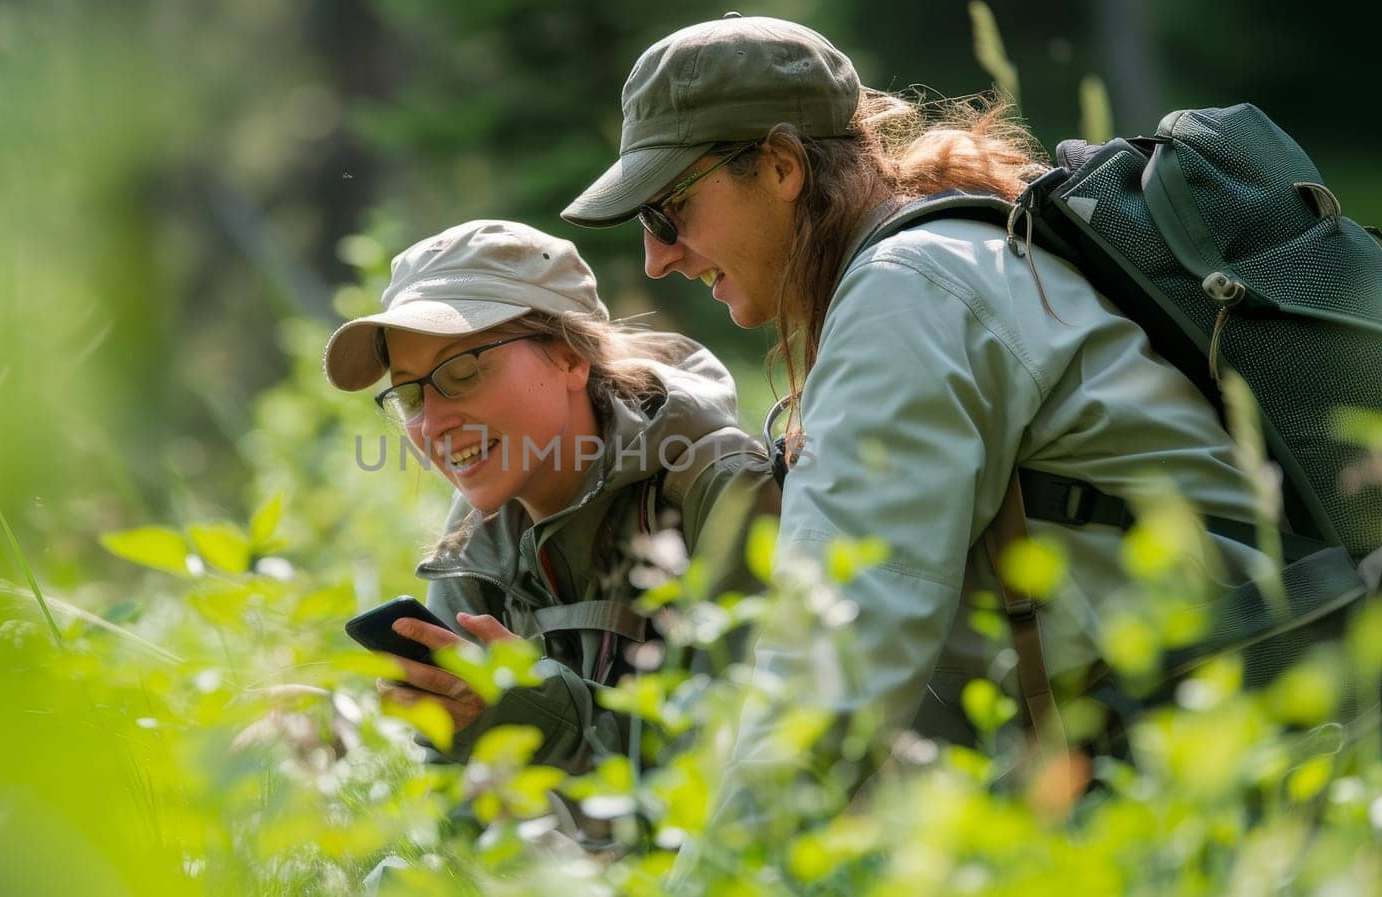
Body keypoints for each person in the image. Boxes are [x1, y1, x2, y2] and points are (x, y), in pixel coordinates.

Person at [561, 14, 1276, 753]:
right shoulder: (942, 256)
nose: (654, 259)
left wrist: (720, 871)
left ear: (780, 166)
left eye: (667, 210)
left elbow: (831, 672)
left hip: (1234, 740)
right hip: (1198, 718)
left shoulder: (905, 292)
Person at [322, 219, 779, 777]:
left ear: (568, 355)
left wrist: (536, 721)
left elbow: (745, 765)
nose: (433, 421)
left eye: (463, 371)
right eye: (411, 393)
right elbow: (452, 804)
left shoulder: (719, 489)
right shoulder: (479, 531)